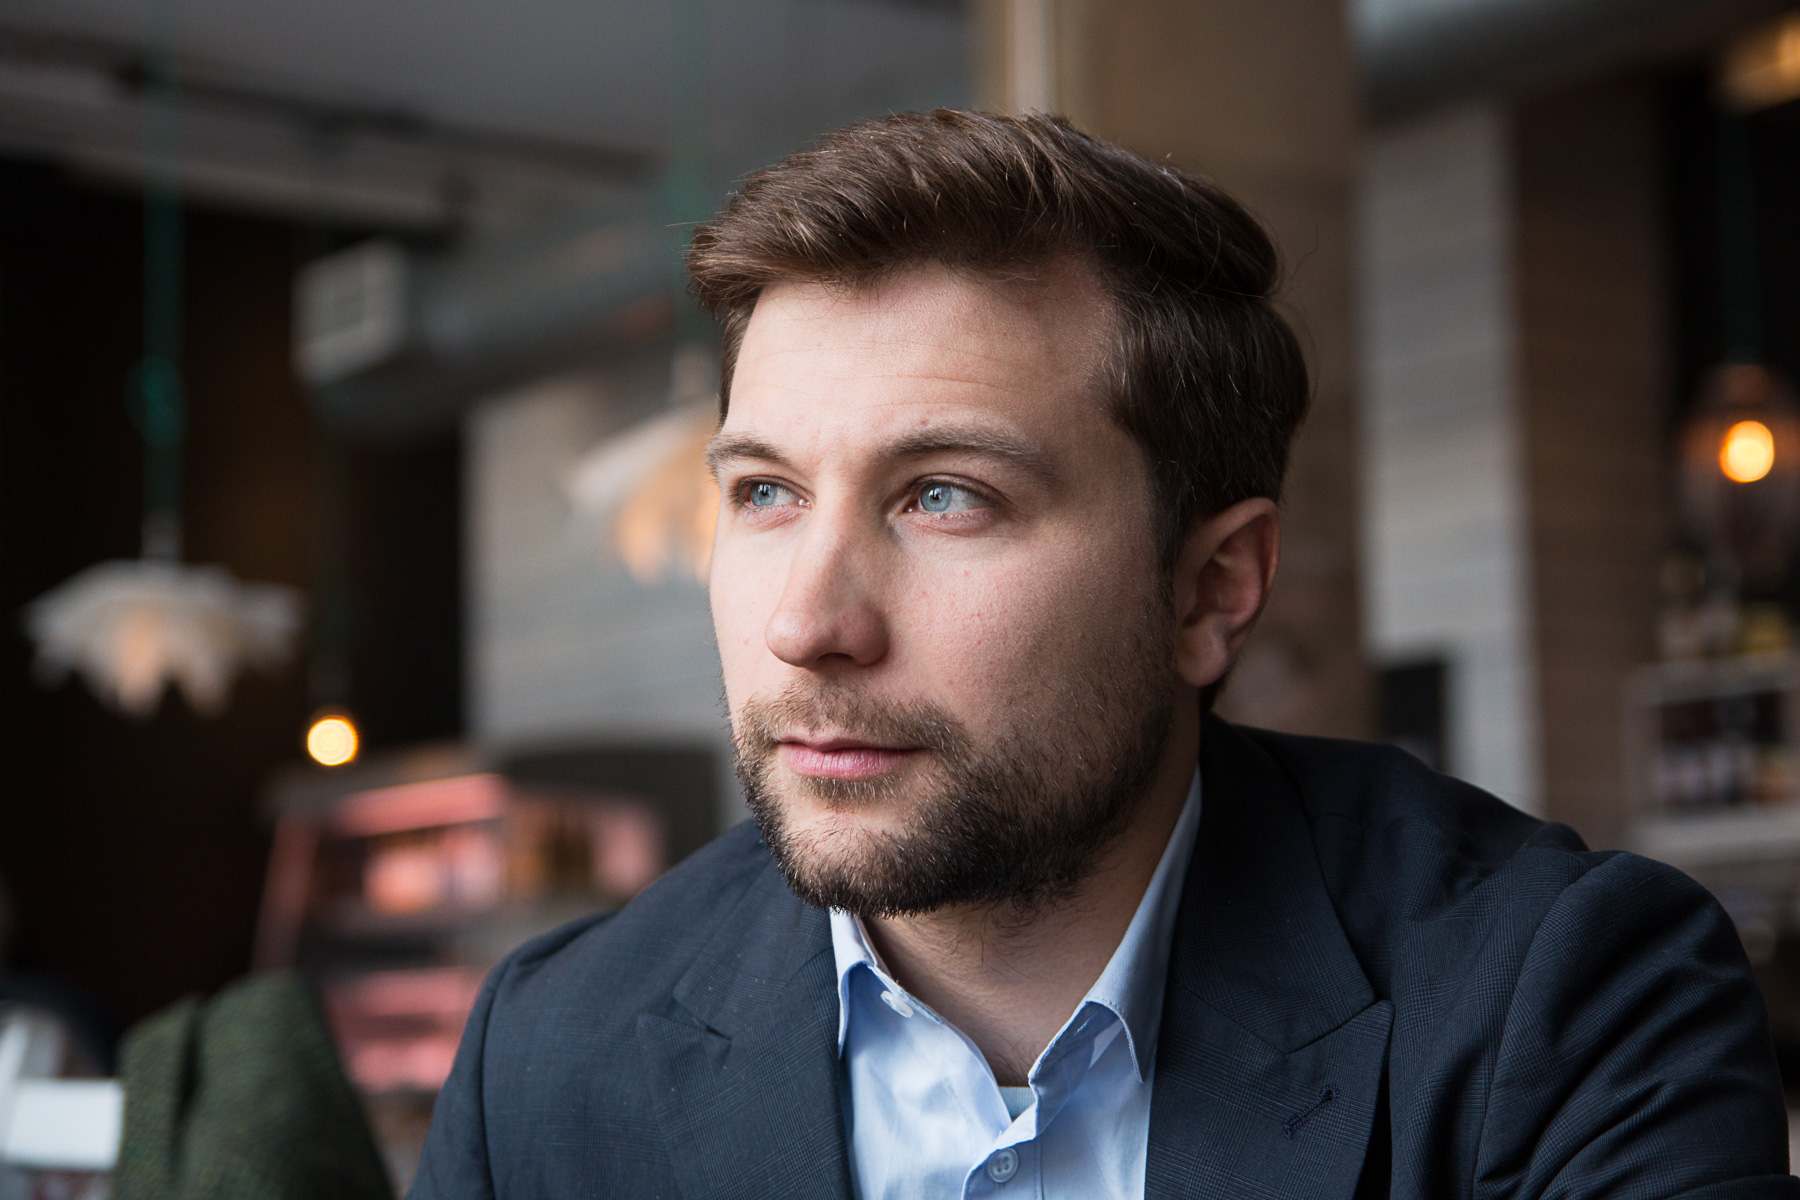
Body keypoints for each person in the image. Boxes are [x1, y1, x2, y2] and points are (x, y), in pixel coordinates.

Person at [410, 110, 1795, 1199]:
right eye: (766, 493)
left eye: (944, 494)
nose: (805, 623)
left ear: (1210, 587)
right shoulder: (549, 1053)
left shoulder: (1563, 999)